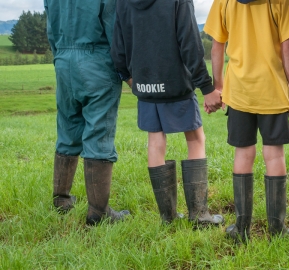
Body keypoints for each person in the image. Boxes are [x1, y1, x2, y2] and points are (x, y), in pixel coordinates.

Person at [110, 0, 224, 227]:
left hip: (144, 85)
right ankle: (200, 215)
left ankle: (168, 217)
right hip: (176, 85)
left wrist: (130, 78)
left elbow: (118, 46)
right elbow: (190, 42)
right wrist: (206, 87)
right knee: (195, 138)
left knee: (155, 141)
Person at [204, 0, 289, 242]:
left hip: (239, 91)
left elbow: (217, 45)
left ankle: (241, 228)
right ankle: (277, 229)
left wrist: (219, 86)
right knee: (275, 155)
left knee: (243, 154)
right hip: (272, 90)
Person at [45, 0, 130, 225]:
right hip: (98, 62)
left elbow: (51, 30)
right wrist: (125, 70)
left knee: (67, 128)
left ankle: (61, 200)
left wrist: (61, 57)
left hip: (63, 61)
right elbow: (115, 30)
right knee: (99, 132)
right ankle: (99, 213)